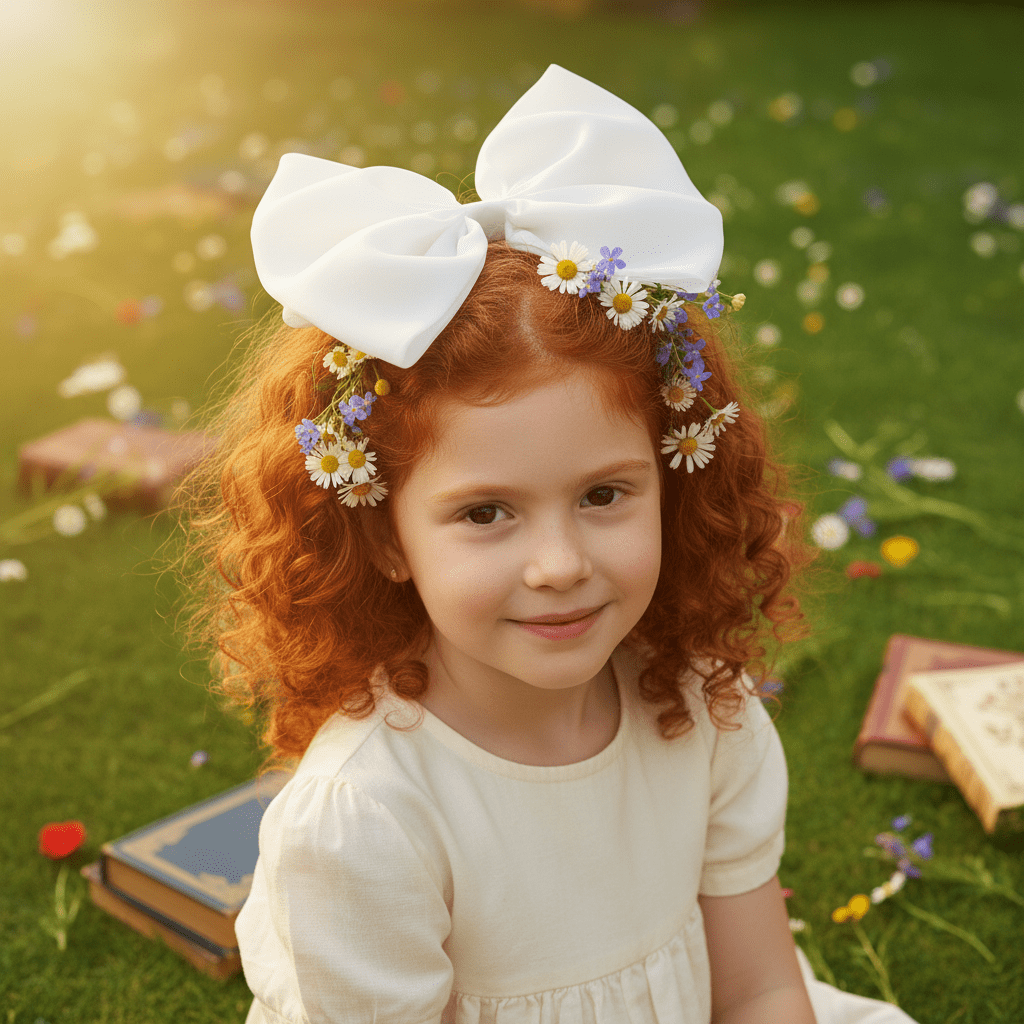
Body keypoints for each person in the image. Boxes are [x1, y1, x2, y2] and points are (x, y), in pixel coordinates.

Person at [181, 65, 920, 1024]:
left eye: (604, 494)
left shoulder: (704, 714)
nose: (560, 563)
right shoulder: (364, 822)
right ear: (384, 534)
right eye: (486, 513)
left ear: (674, 475)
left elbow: (761, 989)